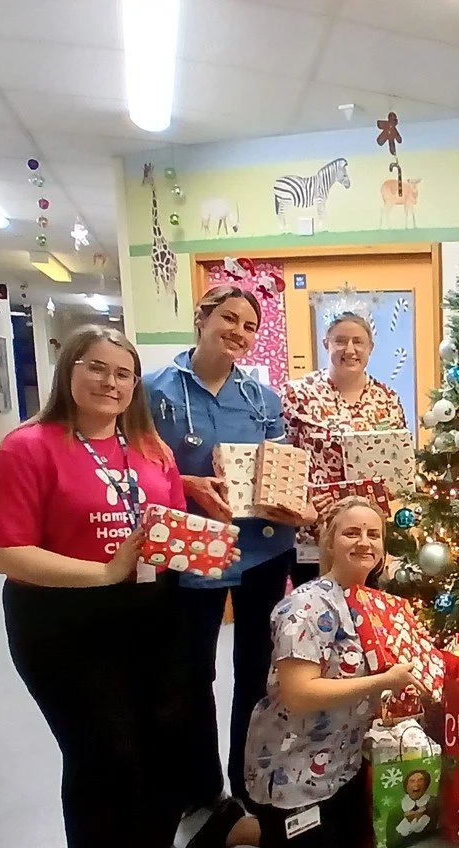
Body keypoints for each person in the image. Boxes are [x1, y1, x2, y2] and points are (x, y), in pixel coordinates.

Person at [0, 325, 188, 848]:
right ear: (68, 370)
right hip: (62, 623)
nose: (110, 382)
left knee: (156, 742)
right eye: (96, 368)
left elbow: (169, 521)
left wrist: (194, 545)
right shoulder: (27, 448)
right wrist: (103, 573)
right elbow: (6, 552)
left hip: (151, 613)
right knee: (103, 753)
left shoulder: (149, 448)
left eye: (123, 373)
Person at [147, 497, 425, 848]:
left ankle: (237, 828)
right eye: (351, 532)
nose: (364, 542)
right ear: (327, 543)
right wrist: (385, 681)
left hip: (341, 760)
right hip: (293, 763)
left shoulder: (374, 606)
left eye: (374, 534)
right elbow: (299, 693)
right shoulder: (306, 608)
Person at [145, 285, 312, 807]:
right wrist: (186, 484)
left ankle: (248, 782)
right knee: (193, 671)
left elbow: (279, 464)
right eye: (229, 318)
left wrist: (295, 504)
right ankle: (200, 788)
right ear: (202, 318)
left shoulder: (261, 397)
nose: (238, 332)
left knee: (256, 669)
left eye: (249, 326)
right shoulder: (155, 391)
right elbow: (137, 465)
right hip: (193, 544)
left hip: (263, 545)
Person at [283, 311, 407, 584]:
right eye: (340, 341)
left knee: (362, 612)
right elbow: (283, 459)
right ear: (326, 344)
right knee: (315, 612)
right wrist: (301, 502)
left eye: (358, 342)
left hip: (367, 535)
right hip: (313, 532)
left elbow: (399, 464)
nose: (349, 349)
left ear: (370, 348)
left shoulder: (387, 399)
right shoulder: (298, 394)